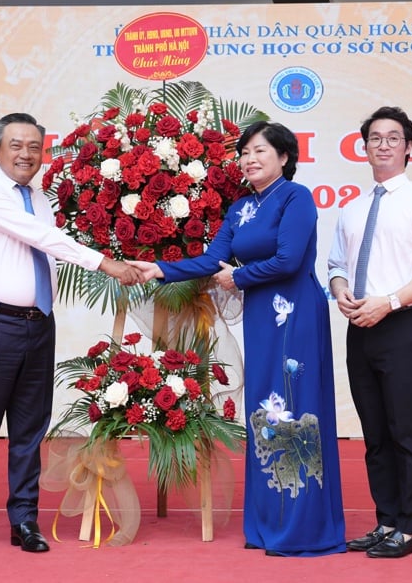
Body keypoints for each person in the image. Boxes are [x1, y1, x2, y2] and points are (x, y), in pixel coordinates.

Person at [130, 121, 346, 557]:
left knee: (293, 406)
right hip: (262, 316)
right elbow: (214, 260)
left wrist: (240, 276)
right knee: (266, 408)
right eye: (245, 151)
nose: (249, 159)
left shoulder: (296, 198)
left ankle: (302, 526)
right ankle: (269, 522)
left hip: (295, 313)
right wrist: (160, 269)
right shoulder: (240, 208)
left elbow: (288, 261)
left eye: (260, 151)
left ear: (284, 157)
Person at [0, 112, 143, 559]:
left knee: (29, 430)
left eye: (34, 147)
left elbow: (45, 238)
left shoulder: (37, 196)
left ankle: (24, 519)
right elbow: (42, 238)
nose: (26, 154)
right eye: (16, 145)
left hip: (38, 323)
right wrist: (105, 263)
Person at [328, 106, 412, 558]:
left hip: (404, 326)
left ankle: (411, 528)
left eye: (393, 137)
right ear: (364, 148)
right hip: (360, 327)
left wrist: (390, 302)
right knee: (375, 433)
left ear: (408, 147)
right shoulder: (352, 209)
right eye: (375, 138)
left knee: (406, 431)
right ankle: (386, 520)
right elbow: (338, 266)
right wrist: (342, 292)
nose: (383, 144)